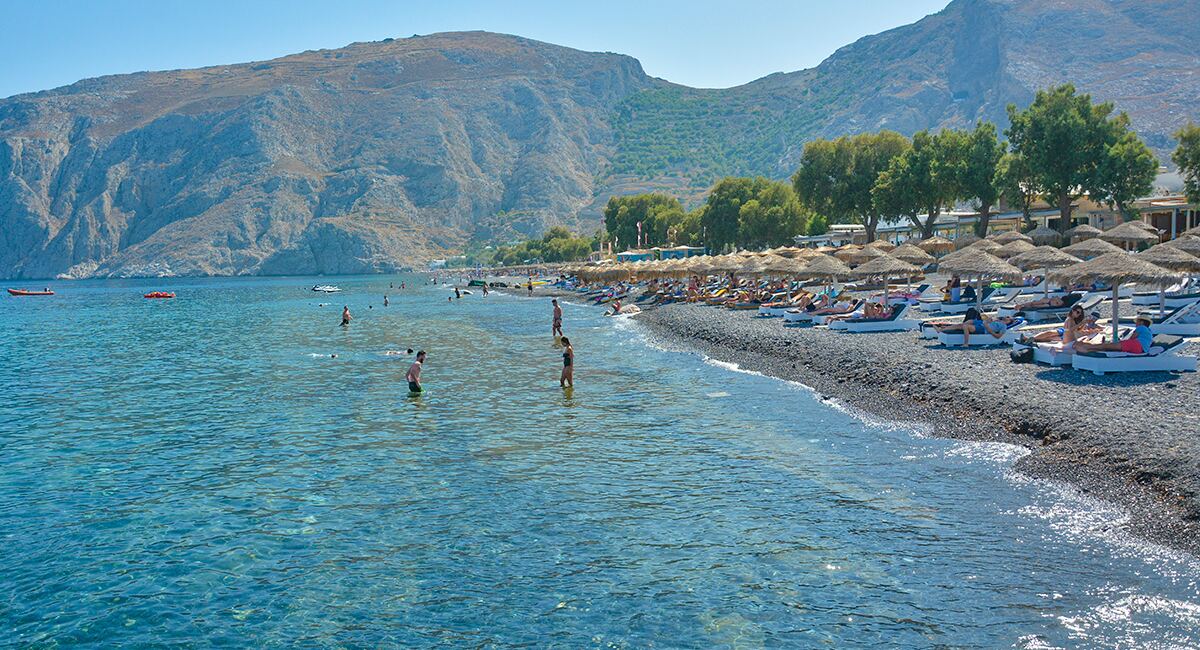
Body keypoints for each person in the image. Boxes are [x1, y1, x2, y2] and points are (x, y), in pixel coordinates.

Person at [1075, 316, 1154, 355]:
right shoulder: (1149, 331)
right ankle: (1089, 348)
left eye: (1137, 322)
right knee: (1111, 347)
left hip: (1136, 345)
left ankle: (1088, 347)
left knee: (1108, 346)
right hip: (1141, 349)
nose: (1136, 323)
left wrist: (1122, 341)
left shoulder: (1141, 327)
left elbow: (1132, 337)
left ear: (1142, 322)